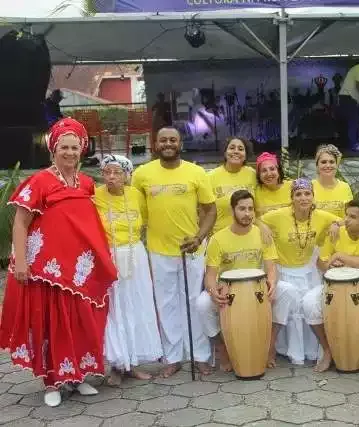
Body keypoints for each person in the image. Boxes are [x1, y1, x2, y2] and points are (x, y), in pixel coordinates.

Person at [0, 118, 117, 407]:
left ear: (82, 150)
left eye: (74, 147)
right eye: (63, 147)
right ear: (53, 149)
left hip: (79, 273)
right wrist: (22, 263)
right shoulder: (39, 181)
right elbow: (20, 224)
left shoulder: (88, 183)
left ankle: (76, 377)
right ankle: (52, 381)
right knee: (51, 324)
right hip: (46, 272)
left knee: (78, 322)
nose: (69, 152)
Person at [132, 126, 217, 378]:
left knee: (194, 302)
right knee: (167, 304)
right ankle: (173, 357)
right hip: (159, 250)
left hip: (191, 249)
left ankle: (200, 356)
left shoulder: (197, 172)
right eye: (163, 140)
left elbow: (210, 210)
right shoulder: (141, 174)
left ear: (180, 144)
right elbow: (138, 213)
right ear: (155, 144)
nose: (168, 143)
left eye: (173, 140)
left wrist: (199, 237)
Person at [195, 190, 296, 371]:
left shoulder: (262, 234)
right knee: (202, 304)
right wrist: (212, 292)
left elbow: (271, 267)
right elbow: (210, 276)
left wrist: (272, 283)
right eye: (242, 209)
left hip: (256, 288)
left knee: (287, 291)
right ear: (232, 210)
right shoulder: (218, 239)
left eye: (250, 209)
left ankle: (269, 344)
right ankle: (223, 349)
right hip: (229, 290)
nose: (247, 213)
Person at [95, 155, 163, 386]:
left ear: (127, 175)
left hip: (136, 256)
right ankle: (116, 364)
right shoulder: (94, 197)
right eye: (107, 172)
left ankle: (132, 364)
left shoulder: (136, 196)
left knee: (136, 306)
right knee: (115, 309)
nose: (112, 177)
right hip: (109, 257)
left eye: (117, 172)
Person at [259, 178, 340, 364]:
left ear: (313, 196)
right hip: (284, 271)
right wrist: (262, 225)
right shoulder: (279, 215)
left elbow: (344, 219)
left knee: (309, 307)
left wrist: (336, 224)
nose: (303, 198)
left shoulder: (321, 215)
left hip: (309, 271)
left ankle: (312, 351)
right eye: (298, 194)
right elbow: (256, 219)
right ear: (292, 198)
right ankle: (285, 350)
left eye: (307, 193)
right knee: (292, 306)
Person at [302, 197, 359, 372]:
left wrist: (341, 256)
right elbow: (321, 262)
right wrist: (330, 266)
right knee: (309, 304)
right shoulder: (337, 232)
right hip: (332, 288)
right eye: (346, 215)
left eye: (352, 217)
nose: (346, 219)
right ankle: (328, 350)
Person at [208, 136, 257, 234]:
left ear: (246, 155)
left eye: (240, 149)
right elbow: (205, 211)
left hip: (249, 235)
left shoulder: (253, 174)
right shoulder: (210, 177)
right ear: (225, 153)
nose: (236, 151)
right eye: (232, 148)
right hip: (220, 236)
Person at [312, 144, 353, 218]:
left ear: (336, 165)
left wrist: (337, 225)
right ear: (317, 166)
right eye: (323, 162)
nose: (328, 165)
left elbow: (350, 216)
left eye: (331, 162)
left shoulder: (345, 187)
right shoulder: (309, 187)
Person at [254, 152, 293, 217]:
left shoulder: (292, 187)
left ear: (278, 171)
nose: (269, 174)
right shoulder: (255, 192)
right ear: (259, 175)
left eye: (272, 169)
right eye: (264, 170)